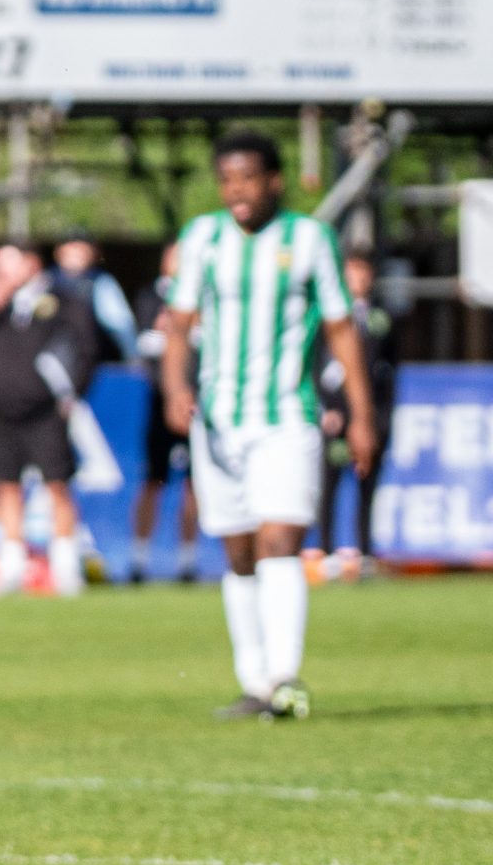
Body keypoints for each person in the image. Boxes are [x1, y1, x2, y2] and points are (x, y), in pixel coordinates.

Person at [158, 130, 376, 721]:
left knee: (281, 540)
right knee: (239, 550)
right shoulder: (202, 237)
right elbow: (178, 324)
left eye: (247, 179)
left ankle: (284, 678)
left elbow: (339, 329)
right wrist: (175, 387)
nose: (236, 192)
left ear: (274, 180)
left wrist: (361, 414)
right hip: (218, 419)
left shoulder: (310, 239)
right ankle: (254, 679)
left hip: (287, 415)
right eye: (226, 180)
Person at [0, 243, 101, 595]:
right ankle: (11, 563)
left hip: (45, 412)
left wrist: (72, 393)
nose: (1, 274)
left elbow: (86, 345)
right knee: (5, 485)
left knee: (56, 483)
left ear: (30, 263)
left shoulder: (61, 301)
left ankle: (65, 564)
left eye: (8, 265)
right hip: (2, 411)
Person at [316, 249, 397, 572]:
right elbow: (314, 365)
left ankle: (365, 553)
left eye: (363, 272)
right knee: (330, 484)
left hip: (371, 416)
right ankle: (325, 553)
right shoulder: (325, 316)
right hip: (337, 416)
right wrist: (325, 408)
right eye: (352, 272)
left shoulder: (381, 318)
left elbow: (390, 370)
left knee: (367, 484)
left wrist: (382, 417)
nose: (358, 279)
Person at [132, 239, 201, 583]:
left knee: (195, 485)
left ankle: (187, 561)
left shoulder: (206, 296)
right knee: (152, 481)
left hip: (197, 405)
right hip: (160, 404)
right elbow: (145, 342)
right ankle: (139, 560)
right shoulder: (150, 297)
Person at [52, 234, 139, 361]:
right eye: (72, 246)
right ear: (59, 251)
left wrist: (134, 359)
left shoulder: (101, 283)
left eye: (82, 248)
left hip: (90, 362)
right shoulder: (46, 280)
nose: (76, 252)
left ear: (93, 253)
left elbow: (121, 325)